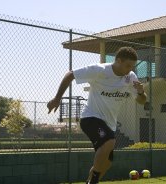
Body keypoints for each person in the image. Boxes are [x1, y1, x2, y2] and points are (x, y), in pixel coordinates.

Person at [47, 47, 147, 184]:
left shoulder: (130, 78)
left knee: (107, 162)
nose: (130, 69)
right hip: (90, 117)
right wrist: (57, 98)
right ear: (118, 61)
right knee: (109, 142)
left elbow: (142, 101)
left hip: (109, 124)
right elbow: (70, 74)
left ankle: (89, 181)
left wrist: (141, 92)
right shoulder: (100, 70)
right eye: (128, 65)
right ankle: (94, 182)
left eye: (132, 66)